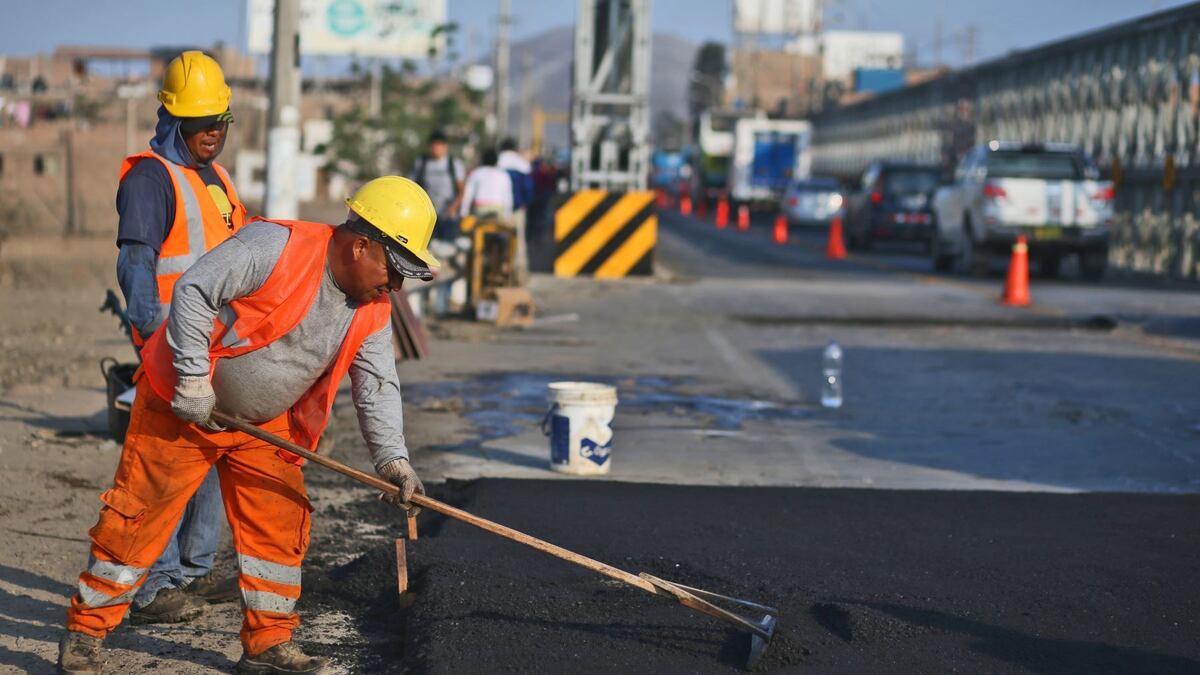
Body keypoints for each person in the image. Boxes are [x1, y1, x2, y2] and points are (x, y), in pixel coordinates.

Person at [59, 176, 436, 675]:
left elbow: (377, 384)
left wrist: (393, 460)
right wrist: (193, 380)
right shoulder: (276, 246)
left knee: (279, 524)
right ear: (361, 245)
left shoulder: (374, 307)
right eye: (394, 269)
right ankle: (86, 635)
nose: (396, 285)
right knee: (138, 520)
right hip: (183, 404)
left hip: (263, 423)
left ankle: (268, 644)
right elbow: (194, 290)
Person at [113, 50, 247, 625]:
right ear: (172, 118)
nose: (213, 133)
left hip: (218, 345)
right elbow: (136, 265)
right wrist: (150, 340)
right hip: (171, 344)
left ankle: (190, 570)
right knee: (166, 469)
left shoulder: (214, 177)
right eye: (201, 123)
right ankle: (153, 583)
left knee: (211, 457)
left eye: (220, 121)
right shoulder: (151, 177)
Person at [409, 129, 464, 241]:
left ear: (445, 146)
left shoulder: (454, 164)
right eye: (434, 145)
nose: (436, 148)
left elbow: (461, 191)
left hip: (447, 216)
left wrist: (453, 209)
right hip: (426, 216)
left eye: (439, 145)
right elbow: (411, 186)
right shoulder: (421, 163)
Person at [497, 138, 533, 282]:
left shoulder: (497, 162)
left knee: (499, 242)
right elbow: (529, 188)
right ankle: (519, 277)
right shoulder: (522, 164)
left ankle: (499, 273)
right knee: (519, 243)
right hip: (517, 209)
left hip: (499, 210)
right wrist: (525, 203)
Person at [459, 148, 513, 220]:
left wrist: (463, 213)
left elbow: (468, 194)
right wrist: (508, 215)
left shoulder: (476, 173)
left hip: (479, 208)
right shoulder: (504, 175)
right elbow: (508, 196)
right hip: (498, 209)